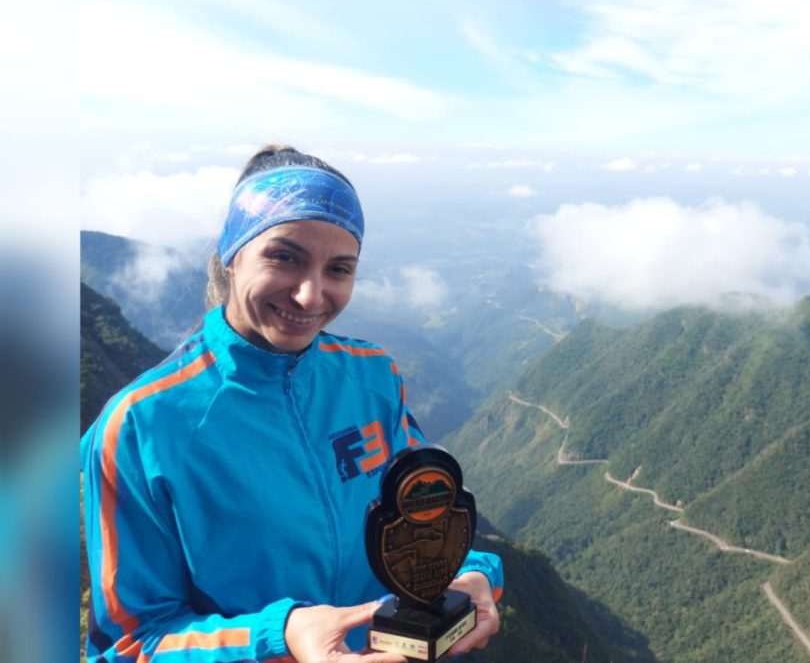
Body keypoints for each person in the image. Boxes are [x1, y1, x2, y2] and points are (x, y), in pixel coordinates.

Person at [81, 145, 503, 662]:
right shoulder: (142, 426)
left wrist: (475, 572)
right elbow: (129, 644)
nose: (311, 295)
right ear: (232, 256)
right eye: (285, 257)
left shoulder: (373, 375)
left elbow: (426, 511)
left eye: (339, 269)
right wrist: (281, 635)